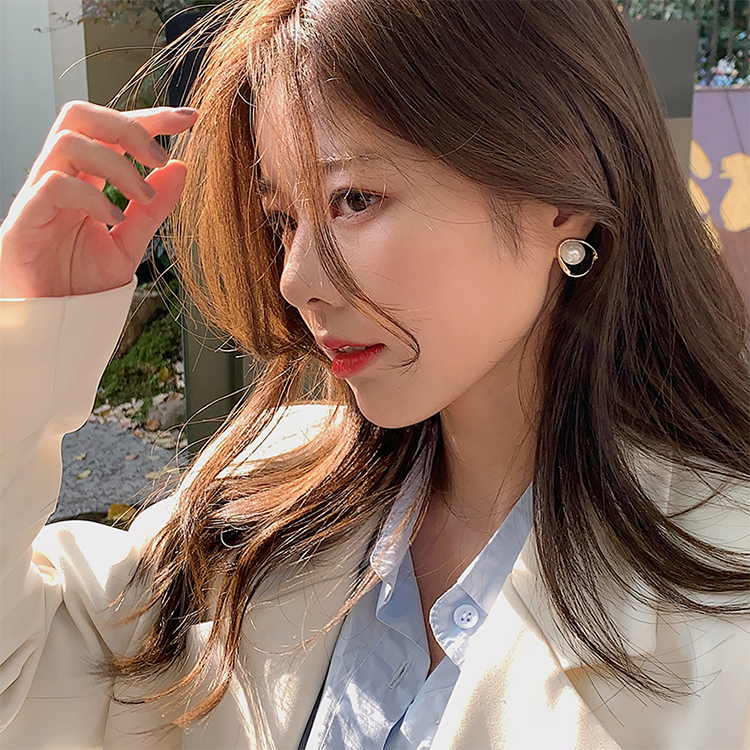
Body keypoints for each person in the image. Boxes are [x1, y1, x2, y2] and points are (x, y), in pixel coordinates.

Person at [1, 0, 748, 748]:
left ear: (559, 194)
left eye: (354, 200)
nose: (295, 279)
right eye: (283, 219)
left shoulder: (722, 604)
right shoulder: (256, 498)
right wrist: (28, 330)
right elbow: (29, 680)